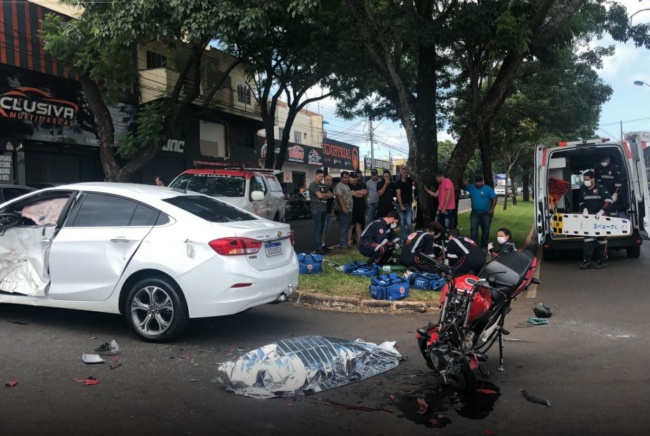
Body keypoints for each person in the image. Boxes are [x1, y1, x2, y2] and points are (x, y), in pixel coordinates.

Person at [578, 170, 612, 269]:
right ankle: (587, 261)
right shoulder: (583, 188)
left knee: (602, 241)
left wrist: (602, 211)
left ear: (593, 179)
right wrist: (584, 209)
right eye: (584, 179)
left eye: (587, 179)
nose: (586, 181)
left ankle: (602, 261)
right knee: (588, 241)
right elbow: (580, 201)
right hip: (588, 218)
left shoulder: (600, 188)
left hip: (600, 218)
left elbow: (609, 200)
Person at [462, 175, 497, 249]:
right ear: (475, 182)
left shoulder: (487, 189)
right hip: (475, 213)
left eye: (479, 182)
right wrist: (464, 183)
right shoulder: (471, 187)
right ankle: (474, 245)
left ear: (482, 181)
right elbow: (464, 187)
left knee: (485, 229)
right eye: (477, 182)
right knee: (473, 229)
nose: (478, 184)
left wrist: (492, 209)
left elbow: (494, 198)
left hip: (486, 213)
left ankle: (484, 245)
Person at [309, 169, 334, 254]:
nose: (321, 178)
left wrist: (325, 195)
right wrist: (324, 195)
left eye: (322, 177)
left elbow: (331, 195)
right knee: (317, 229)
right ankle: (318, 248)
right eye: (319, 176)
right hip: (316, 209)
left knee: (322, 229)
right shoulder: (313, 185)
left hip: (324, 209)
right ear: (316, 175)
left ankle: (321, 246)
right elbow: (320, 196)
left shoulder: (323, 186)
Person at [334, 171, 353, 249]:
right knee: (344, 227)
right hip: (343, 210)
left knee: (347, 226)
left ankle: (345, 243)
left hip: (349, 209)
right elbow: (339, 196)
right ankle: (342, 244)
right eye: (345, 177)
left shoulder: (347, 186)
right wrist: (343, 207)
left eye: (348, 177)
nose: (347, 179)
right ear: (341, 178)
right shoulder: (339, 185)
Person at [348, 172, 368, 247]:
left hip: (361, 207)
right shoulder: (348, 185)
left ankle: (359, 241)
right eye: (353, 177)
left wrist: (358, 192)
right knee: (351, 225)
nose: (354, 179)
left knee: (359, 224)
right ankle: (348, 242)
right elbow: (353, 194)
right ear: (350, 178)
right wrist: (360, 192)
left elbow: (365, 192)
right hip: (352, 208)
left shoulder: (361, 184)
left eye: (355, 177)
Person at [395, 165, 414, 242]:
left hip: (408, 204)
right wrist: (401, 205)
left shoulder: (410, 180)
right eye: (404, 172)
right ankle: (404, 238)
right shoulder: (398, 182)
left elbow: (415, 181)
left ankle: (411, 238)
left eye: (406, 172)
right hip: (400, 205)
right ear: (401, 173)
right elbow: (398, 194)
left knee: (409, 223)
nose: (405, 174)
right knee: (402, 222)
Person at [321, 174, 335, 250]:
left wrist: (332, 210)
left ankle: (324, 244)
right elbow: (323, 196)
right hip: (322, 211)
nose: (329, 181)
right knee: (323, 229)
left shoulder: (332, 189)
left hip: (329, 211)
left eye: (331, 180)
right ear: (324, 180)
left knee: (327, 230)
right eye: (328, 180)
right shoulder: (322, 188)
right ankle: (321, 245)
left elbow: (332, 199)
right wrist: (328, 195)